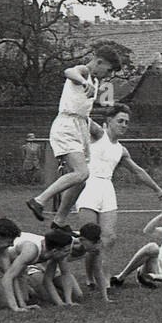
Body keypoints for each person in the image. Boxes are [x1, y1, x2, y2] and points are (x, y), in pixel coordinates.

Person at [74, 104, 162, 301]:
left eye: (127, 122)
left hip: (107, 190)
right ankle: (90, 278)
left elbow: (138, 171)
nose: (124, 125)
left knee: (109, 238)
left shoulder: (120, 149)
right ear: (108, 121)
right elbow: (82, 117)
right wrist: (80, 97)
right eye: (120, 120)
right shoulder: (98, 135)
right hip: (89, 187)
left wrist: (158, 190)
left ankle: (106, 280)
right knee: (89, 241)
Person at [26, 46, 122, 228]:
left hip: (80, 127)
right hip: (66, 126)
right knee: (81, 173)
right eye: (108, 70)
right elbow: (69, 71)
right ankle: (39, 200)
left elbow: (82, 111)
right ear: (99, 61)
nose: (108, 75)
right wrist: (84, 82)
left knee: (81, 181)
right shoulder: (84, 72)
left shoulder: (94, 80)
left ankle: (59, 221)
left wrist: (96, 130)